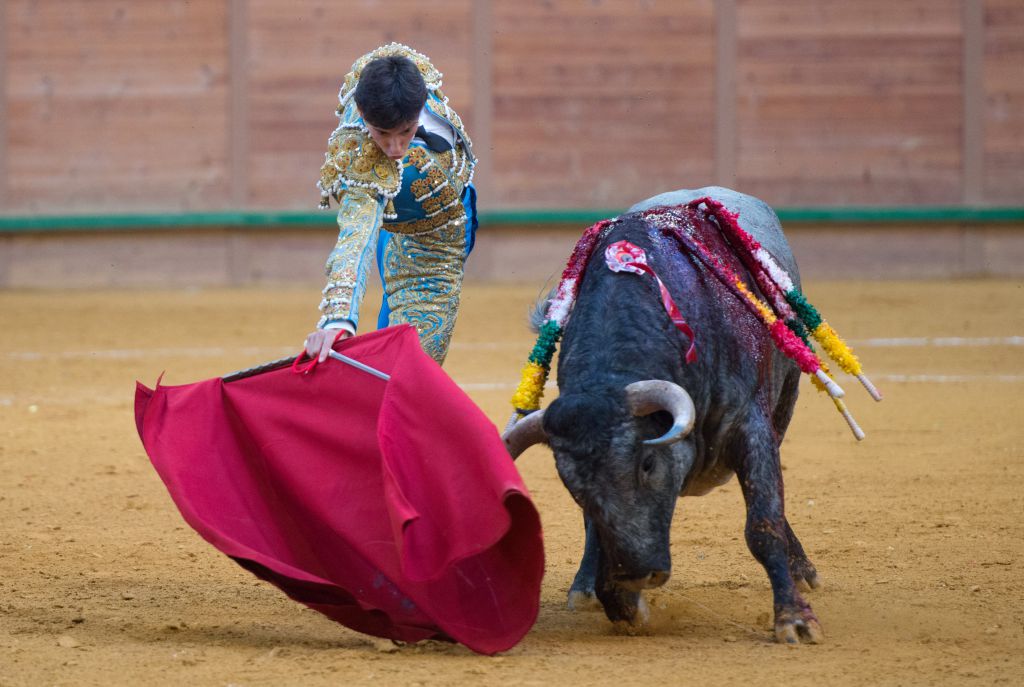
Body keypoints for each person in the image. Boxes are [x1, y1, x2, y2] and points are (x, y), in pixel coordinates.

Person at [303, 43, 478, 367]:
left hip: (436, 238)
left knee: (409, 358)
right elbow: (357, 234)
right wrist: (337, 319)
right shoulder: (362, 159)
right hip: (392, 215)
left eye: (406, 132)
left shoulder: (414, 84)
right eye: (382, 133)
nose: (395, 147)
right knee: (401, 364)